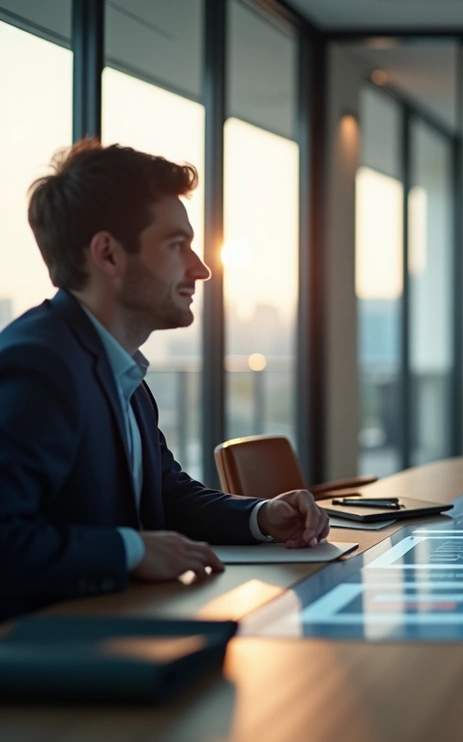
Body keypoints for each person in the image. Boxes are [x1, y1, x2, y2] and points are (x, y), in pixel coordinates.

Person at [0, 140, 330, 621]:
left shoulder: (118, 366)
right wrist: (130, 551)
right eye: (177, 246)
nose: (202, 269)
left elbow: (167, 496)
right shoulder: (40, 364)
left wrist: (260, 517)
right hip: (50, 665)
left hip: (122, 631)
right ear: (108, 255)